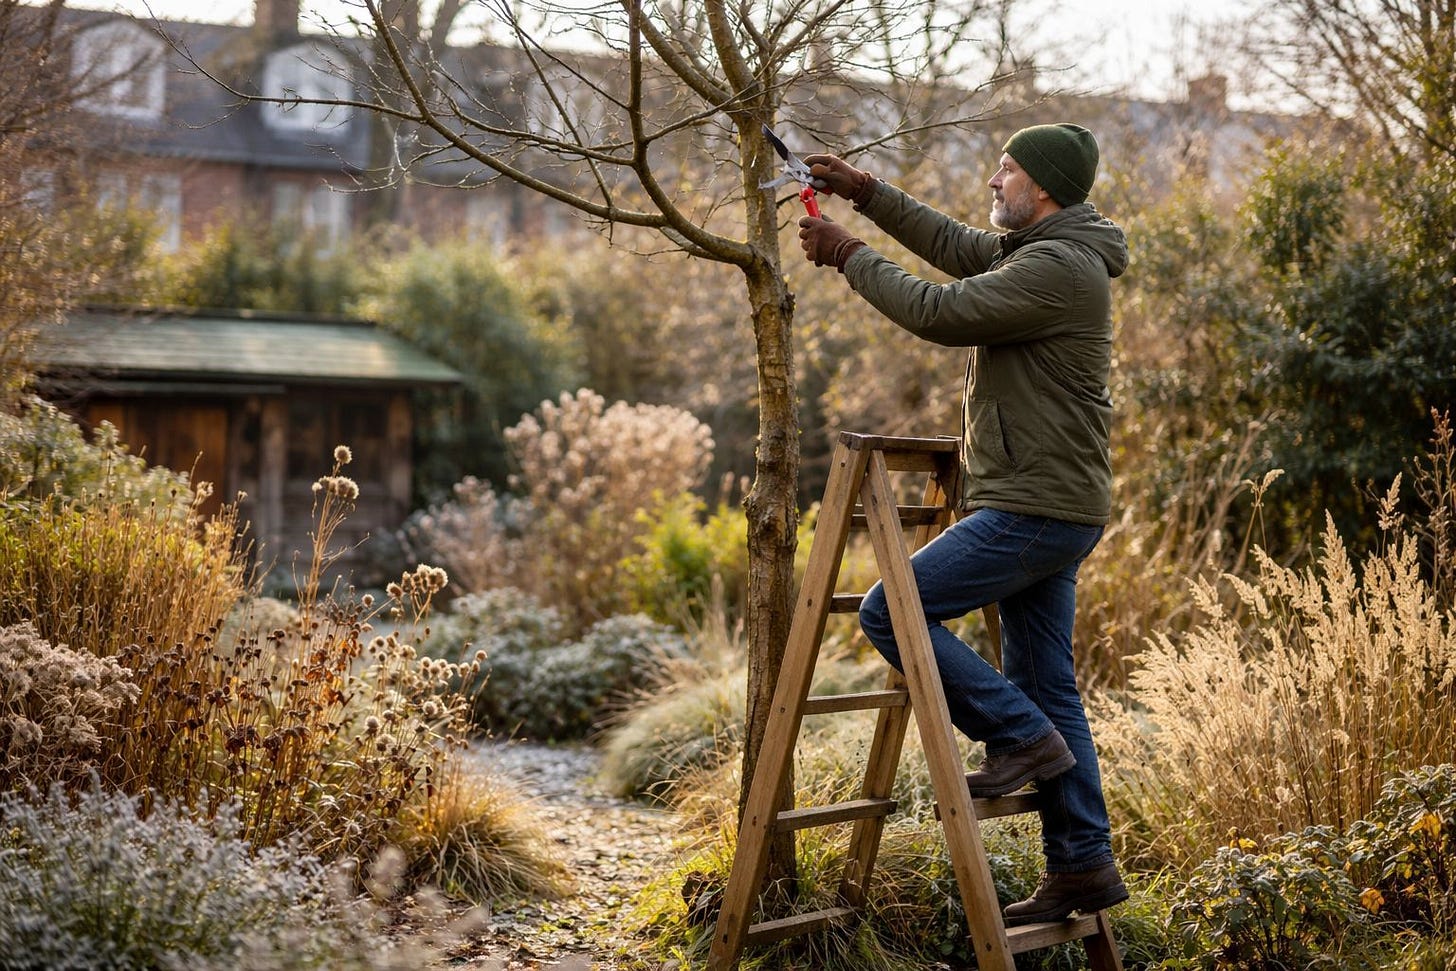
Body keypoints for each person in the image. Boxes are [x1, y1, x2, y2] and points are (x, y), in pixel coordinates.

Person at [795, 123, 1129, 926]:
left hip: (1033, 504)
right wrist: (865, 193)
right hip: (1049, 499)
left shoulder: (1056, 267)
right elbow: (952, 245)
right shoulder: (1041, 250)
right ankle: (1082, 862)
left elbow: (940, 312)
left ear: (1041, 187)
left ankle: (1018, 735)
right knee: (1052, 684)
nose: (993, 179)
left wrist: (846, 253)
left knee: (890, 609)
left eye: (1005, 169)